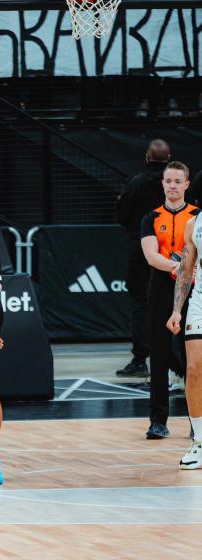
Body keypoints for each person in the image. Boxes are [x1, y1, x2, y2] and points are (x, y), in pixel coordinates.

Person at [141, 162, 199, 439]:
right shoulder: (150, 217)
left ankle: (195, 421)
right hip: (161, 287)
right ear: (162, 184)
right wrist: (177, 267)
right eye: (168, 181)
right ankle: (158, 420)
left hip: (193, 288)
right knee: (159, 354)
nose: (173, 186)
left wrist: (188, 269)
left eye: (178, 181)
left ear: (187, 184)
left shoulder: (197, 216)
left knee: (193, 357)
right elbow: (151, 256)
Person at [116, 139, 171, 378]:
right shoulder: (173, 184)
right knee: (173, 302)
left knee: (141, 302)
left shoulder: (136, 183)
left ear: (147, 157)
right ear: (168, 158)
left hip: (140, 250)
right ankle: (175, 361)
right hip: (170, 249)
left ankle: (140, 360)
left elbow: (122, 215)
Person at [167, 208, 202, 467]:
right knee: (193, 369)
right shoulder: (194, 223)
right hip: (200, 302)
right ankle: (199, 442)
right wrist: (177, 310)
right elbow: (186, 269)